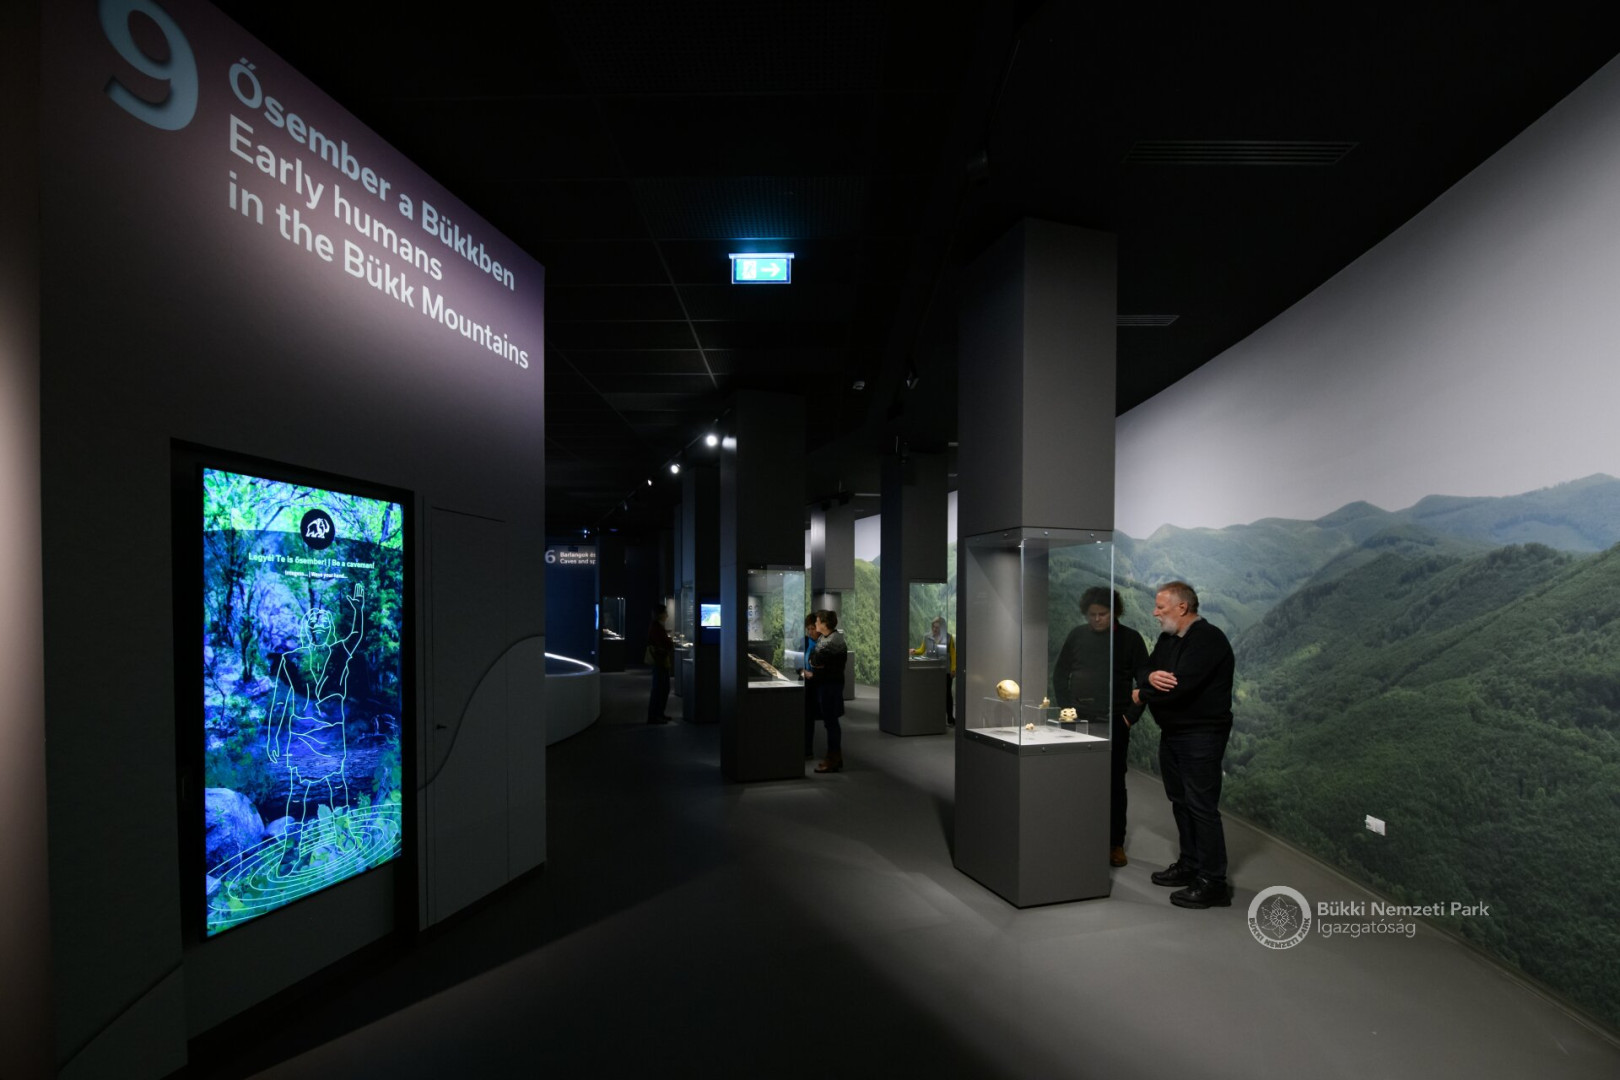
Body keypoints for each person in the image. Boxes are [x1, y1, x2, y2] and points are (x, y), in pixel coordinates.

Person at [1133, 581, 1236, 909]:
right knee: (1180, 801)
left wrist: (1141, 693)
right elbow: (1144, 668)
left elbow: (1179, 688)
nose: (1155, 612)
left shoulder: (1208, 639)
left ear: (1182, 607)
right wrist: (1150, 678)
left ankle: (1213, 882)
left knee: (1201, 806)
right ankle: (1191, 865)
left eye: (1160, 607)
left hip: (1201, 736)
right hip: (1175, 733)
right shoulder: (1168, 639)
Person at [1052, 587, 1149, 867]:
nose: (1096, 619)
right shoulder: (1077, 635)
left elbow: (1145, 682)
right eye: (1092, 614)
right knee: (1075, 779)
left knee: (1114, 783)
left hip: (1115, 719)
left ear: (1115, 613)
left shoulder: (1131, 639)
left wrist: (1129, 717)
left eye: (1102, 614)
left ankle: (1115, 843)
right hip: (1078, 719)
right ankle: (1076, 835)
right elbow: (1060, 674)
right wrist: (1067, 709)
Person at [807, 609, 848, 773]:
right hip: (828, 685)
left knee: (831, 723)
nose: (815, 624)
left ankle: (833, 759)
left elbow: (815, 661)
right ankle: (834, 757)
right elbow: (815, 660)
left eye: (817, 621)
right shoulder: (828, 638)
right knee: (830, 722)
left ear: (824, 624)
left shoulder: (831, 642)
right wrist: (815, 661)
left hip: (830, 687)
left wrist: (815, 662)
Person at [911, 614, 956, 726]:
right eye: (934, 627)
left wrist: (953, 669)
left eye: (937, 627)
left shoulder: (949, 638)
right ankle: (933, 717)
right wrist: (914, 651)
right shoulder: (927, 637)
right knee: (933, 694)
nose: (935, 629)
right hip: (932, 670)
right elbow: (922, 650)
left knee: (947, 694)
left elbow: (953, 654)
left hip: (945, 671)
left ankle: (950, 718)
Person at [646, 603, 674, 724]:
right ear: (660, 614)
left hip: (660, 662)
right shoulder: (657, 627)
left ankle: (659, 714)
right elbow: (665, 644)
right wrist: (669, 641)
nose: (667, 615)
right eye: (665, 613)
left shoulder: (656, 626)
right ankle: (654, 716)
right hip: (660, 662)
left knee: (662, 689)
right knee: (659, 689)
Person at [800, 613, 821, 757]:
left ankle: (807, 750)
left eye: (812, 629)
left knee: (809, 719)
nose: (810, 632)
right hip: (804, 683)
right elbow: (797, 661)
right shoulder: (805, 642)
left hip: (815, 685)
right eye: (808, 629)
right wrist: (802, 672)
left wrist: (812, 675)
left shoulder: (824, 643)